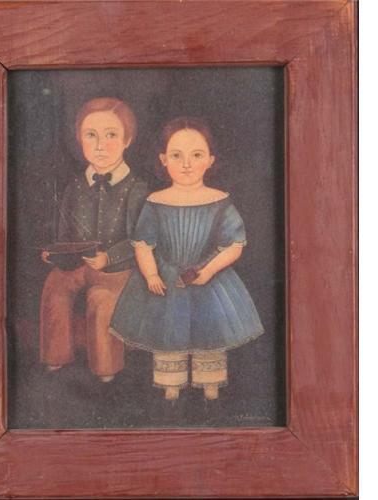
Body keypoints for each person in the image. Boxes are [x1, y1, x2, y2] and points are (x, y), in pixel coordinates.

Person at [109, 117, 264, 400]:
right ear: (163, 160)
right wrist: (151, 274)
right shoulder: (155, 202)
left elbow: (234, 245)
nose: (187, 164)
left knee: (212, 330)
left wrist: (210, 270)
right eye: (177, 156)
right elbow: (143, 245)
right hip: (166, 278)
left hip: (210, 278)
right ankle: (171, 385)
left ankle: (210, 385)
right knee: (168, 331)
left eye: (197, 155)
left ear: (210, 160)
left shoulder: (219, 201)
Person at [40, 97, 147, 382]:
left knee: (101, 300)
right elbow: (63, 234)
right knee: (55, 287)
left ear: (127, 140)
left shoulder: (137, 189)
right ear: (79, 139)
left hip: (118, 269)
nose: (100, 145)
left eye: (111, 135)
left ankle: (106, 368)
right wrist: (55, 253)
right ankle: (55, 356)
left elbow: (140, 240)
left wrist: (109, 257)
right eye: (91, 135)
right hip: (79, 264)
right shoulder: (75, 186)